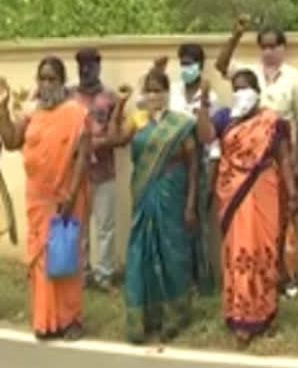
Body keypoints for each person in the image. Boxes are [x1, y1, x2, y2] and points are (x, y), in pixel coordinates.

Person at [215, 14, 298, 300]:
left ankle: (287, 277)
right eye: (264, 47)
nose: (269, 52)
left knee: (285, 218)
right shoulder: (249, 74)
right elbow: (221, 66)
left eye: (274, 46)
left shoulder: (294, 77)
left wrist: (297, 162)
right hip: (248, 166)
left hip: (279, 158)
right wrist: (235, 35)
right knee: (256, 223)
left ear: (283, 48)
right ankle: (262, 274)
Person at [197, 69, 296, 346]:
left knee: (263, 249)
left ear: (257, 91)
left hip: (264, 189)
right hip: (233, 193)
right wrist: (204, 102)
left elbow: (284, 158)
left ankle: (265, 311)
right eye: (236, 88)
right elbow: (205, 136)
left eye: (246, 87)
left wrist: (292, 192)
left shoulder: (271, 121)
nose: (241, 93)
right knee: (239, 251)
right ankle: (240, 314)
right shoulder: (225, 117)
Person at [107, 69, 202, 344]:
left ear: (167, 93)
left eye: (158, 90)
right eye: (148, 91)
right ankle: (143, 320)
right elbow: (115, 140)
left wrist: (191, 203)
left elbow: (193, 163)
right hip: (144, 193)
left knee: (172, 252)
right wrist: (120, 106)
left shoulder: (181, 124)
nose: (153, 96)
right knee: (141, 252)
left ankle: (175, 316)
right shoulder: (137, 122)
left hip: (172, 193)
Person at [0, 57, 90, 340]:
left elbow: (82, 157)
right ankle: (46, 321)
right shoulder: (31, 114)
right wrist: (2, 112)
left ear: (63, 83)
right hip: (38, 201)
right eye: (43, 78)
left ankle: (71, 319)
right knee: (41, 261)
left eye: (52, 79)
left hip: (66, 199)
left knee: (66, 259)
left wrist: (71, 194)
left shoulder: (76, 113)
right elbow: (13, 141)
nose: (47, 84)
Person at [169, 43, 217, 295]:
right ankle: (181, 276)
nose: (186, 68)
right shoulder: (173, 91)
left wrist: (205, 99)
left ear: (200, 65)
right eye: (183, 63)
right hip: (175, 163)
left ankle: (203, 278)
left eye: (190, 63)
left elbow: (209, 136)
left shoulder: (210, 96)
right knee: (178, 221)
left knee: (198, 221)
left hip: (201, 162)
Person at [71, 48, 119, 292]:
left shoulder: (110, 97)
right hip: (76, 174)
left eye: (91, 65)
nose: (86, 70)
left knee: (106, 226)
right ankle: (82, 274)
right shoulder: (68, 96)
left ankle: (105, 275)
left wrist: (96, 144)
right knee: (79, 226)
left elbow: (118, 135)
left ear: (99, 66)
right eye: (82, 66)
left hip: (104, 171)